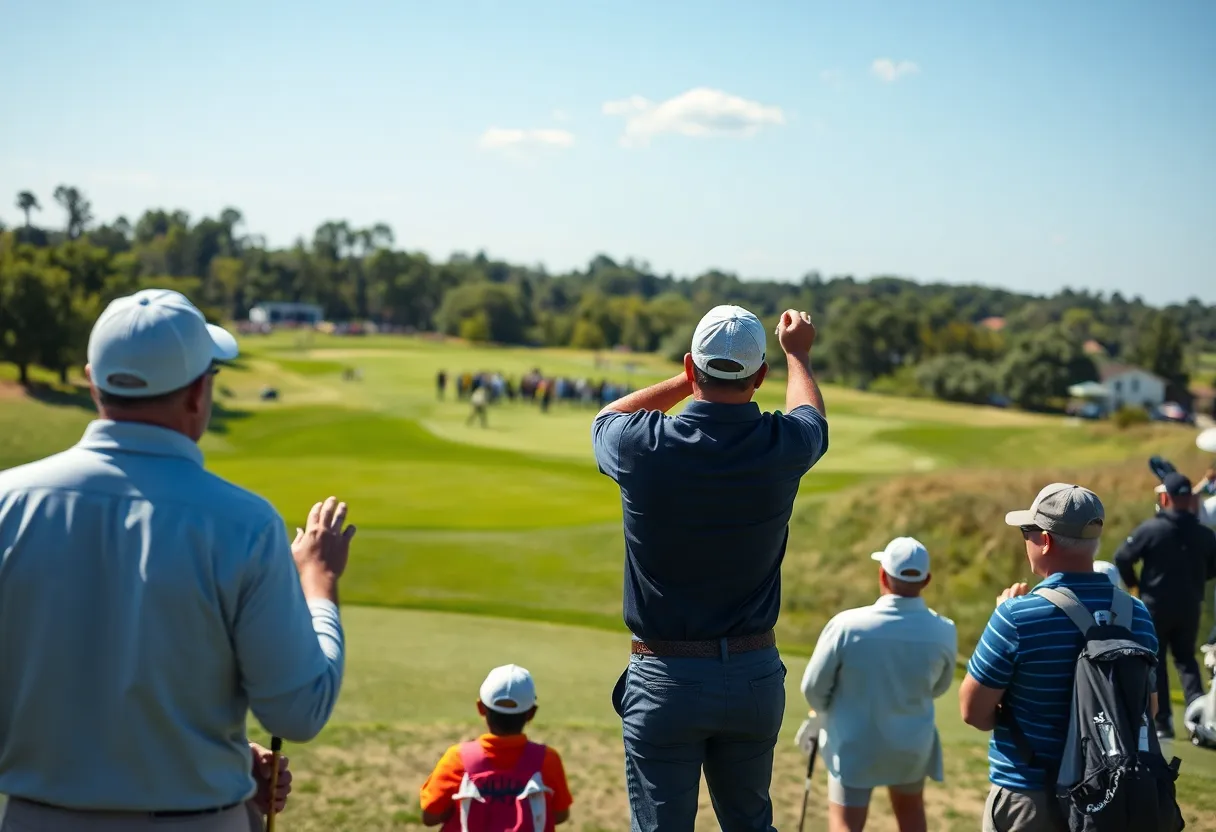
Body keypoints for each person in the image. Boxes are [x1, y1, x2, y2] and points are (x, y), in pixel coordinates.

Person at [0, 288, 356, 832]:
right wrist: (319, 583)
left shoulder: (8, 503)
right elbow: (299, 710)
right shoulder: (245, 525)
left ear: (93, 382)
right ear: (196, 394)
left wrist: (230, 761)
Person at [592, 305, 829, 832]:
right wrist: (799, 354)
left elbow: (607, 417)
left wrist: (690, 377)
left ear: (691, 367)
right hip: (753, 677)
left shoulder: (643, 445)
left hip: (666, 679)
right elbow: (813, 417)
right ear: (760, 376)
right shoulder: (781, 445)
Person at [960, 483, 1159, 832]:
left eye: (1028, 531)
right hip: (1111, 796)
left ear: (1046, 540)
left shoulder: (1015, 617)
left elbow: (973, 712)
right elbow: (1148, 709)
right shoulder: (1136, 614)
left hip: (1029, 794)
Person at [801, 537, 957, 832]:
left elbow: (813, 687)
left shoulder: (847, 625)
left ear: (882, 575)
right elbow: (939, 687)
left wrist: (822, 714)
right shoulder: (944, 630)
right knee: (911, 817)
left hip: (854, 744)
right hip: (911, 744)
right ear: (927, 580)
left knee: (846, 824)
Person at [1114, 471, 1216, 738]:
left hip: (1154, 606)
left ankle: (1162, 723)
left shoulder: (1151, 529)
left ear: (1165, 497)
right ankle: (1201, 717)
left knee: (1154, 661)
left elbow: (1123, 557)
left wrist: (1134, 585)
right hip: (1190, 605)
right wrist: (1196, 580)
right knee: (1186, 659)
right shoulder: (1204, 534)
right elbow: (1213, 567)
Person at [419, 665, 572, 830]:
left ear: (481, 708)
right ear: (531, 713)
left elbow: (430, 816)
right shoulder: (548, 759)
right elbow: (560, 814)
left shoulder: (457, 758)